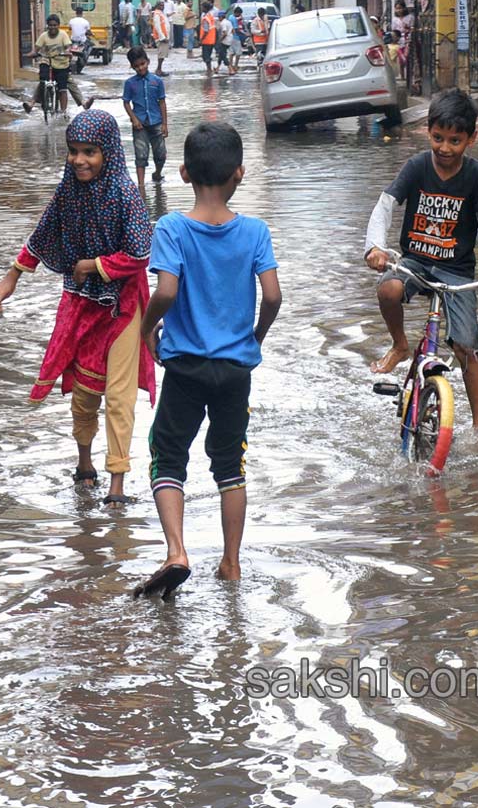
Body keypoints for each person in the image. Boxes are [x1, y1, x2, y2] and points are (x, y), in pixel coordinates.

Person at [134, 122, 282, 600]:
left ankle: (177, 551)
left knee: (168, 456)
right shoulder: (255, 231)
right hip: (235, 369)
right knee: (230, 463)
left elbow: (167, 291)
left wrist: (145, 328)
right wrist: (253, 338)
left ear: (182, 173)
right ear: (240, 173)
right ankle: (232, 564)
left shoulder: (172, 228)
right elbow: (274, 296)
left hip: (185, 368)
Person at [0, 111, 156, 507]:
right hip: (80, 305)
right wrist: (10, 280)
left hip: (123, 309)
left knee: (118, 397)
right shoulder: (67, 192)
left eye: (90, 152)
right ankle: (84, 465)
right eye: (74, 152)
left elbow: (141, 253)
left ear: (108, 152)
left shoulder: (127, 194)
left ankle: (117, 484)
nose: (80, 161)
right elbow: (42, 235)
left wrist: (93, 266)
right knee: (83, 393)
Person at [364, 88, 478, 447]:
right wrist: (375, 248)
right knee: (388, 289)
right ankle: (399, 346)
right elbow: (385, 206)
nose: (445, 148)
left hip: (456, 271)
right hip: (415, 263)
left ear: (471, 139)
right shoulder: (415, 167)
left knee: (467, 348)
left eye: (455, 141)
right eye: (438, 138)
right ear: (427, 132)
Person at [122, 46, 168, 192]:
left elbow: (162, 102)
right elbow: (126, 102)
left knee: (161, 154)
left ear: (148, 62)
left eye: (142, 64)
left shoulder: (157, 81)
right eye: (136, 66)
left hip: (156, 122)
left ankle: (157, 173)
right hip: (140, 124)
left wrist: (165, 124)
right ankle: (141, 185)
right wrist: (134, 119)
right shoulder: (130, 83)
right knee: (140, 155)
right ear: (132, 67)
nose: (140, 68)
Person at [23, 14, 71, 115]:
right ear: (47, 26)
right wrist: (29, 55)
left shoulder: (63, 35)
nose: (52, 27)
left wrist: (67, 52)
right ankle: (31, 104)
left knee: (63, 88)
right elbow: (36, 50)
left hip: (61, 64)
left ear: (58, 25)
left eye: (55, 25)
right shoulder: (43, 36)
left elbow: (68, 47)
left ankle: (63, 112)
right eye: (50, 25)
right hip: (47, 62)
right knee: (42, 82)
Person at [390, 0, 413, 74]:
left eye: (400, 8)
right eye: (396, 9)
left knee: (407, 58)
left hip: (408, 40)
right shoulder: (394, 19)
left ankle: (409, 75)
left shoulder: (410, 17)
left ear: (404, 8)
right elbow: (394, 30)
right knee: (400, 59)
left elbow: (412, 28)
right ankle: (402, 75)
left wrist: (408, 29)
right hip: (398, 41)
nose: (398, 10)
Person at [151, 0, 171, 76]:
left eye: (163, 5)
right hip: (161, 38)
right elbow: (157, 27)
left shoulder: (161, 13)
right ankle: (158, 70)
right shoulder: (157, 14)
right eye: (160, 5)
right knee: (161, 54)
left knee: (163, 55)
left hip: (164, 37)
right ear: (157, 6)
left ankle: (159, 69)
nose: (162, 6)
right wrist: (162, 37)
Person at [199, 1, 218, 75]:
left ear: (205, 8)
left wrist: (201, 39)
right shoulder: (210, 16)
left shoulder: (205, 18)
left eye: (202, 7)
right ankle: (209, 69)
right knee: (208, 55)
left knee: (206, 56)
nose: (201, 8)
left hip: (206, 40)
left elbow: (206, 31)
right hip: (211, 39)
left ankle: (209, 69)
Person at [216, 10, 235, 74]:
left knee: (223, 55)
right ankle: (217, 68)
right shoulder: (228, 22)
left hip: (225, 41)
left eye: (219, 17)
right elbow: (233, 31)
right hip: (230, 39)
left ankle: (230, 68)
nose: (218, 19)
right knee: (221, 54)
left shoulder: (223, 23)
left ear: (221, 17)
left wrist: (220, 40)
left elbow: (225, 33)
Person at [228, 6, 246, 72]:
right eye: (240, 14)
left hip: (230, 37)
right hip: (235, 37)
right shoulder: (234, 19)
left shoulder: (230, 17)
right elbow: (237, 29)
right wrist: (245, 34)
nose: (240, 15)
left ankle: (230, 65)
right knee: (238, 53)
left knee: (231, 52)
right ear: (237, 13)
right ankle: (235, 65)